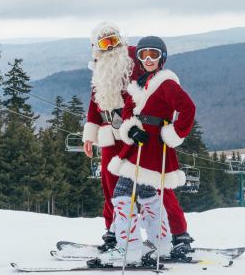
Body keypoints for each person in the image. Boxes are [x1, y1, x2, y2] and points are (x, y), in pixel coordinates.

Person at [83, 23, 194, 254]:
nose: (111, 46)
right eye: (104, 43)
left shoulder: (135, 55)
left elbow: (155, 84)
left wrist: (162, 123)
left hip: (141, 132)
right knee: (111, 184)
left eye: (114, 40)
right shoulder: (100, 67)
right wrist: (89, 133)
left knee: (156, 182)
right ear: (96, 48)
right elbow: (95, 100)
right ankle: (115, 231)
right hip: (112, 132)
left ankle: (178, 232)